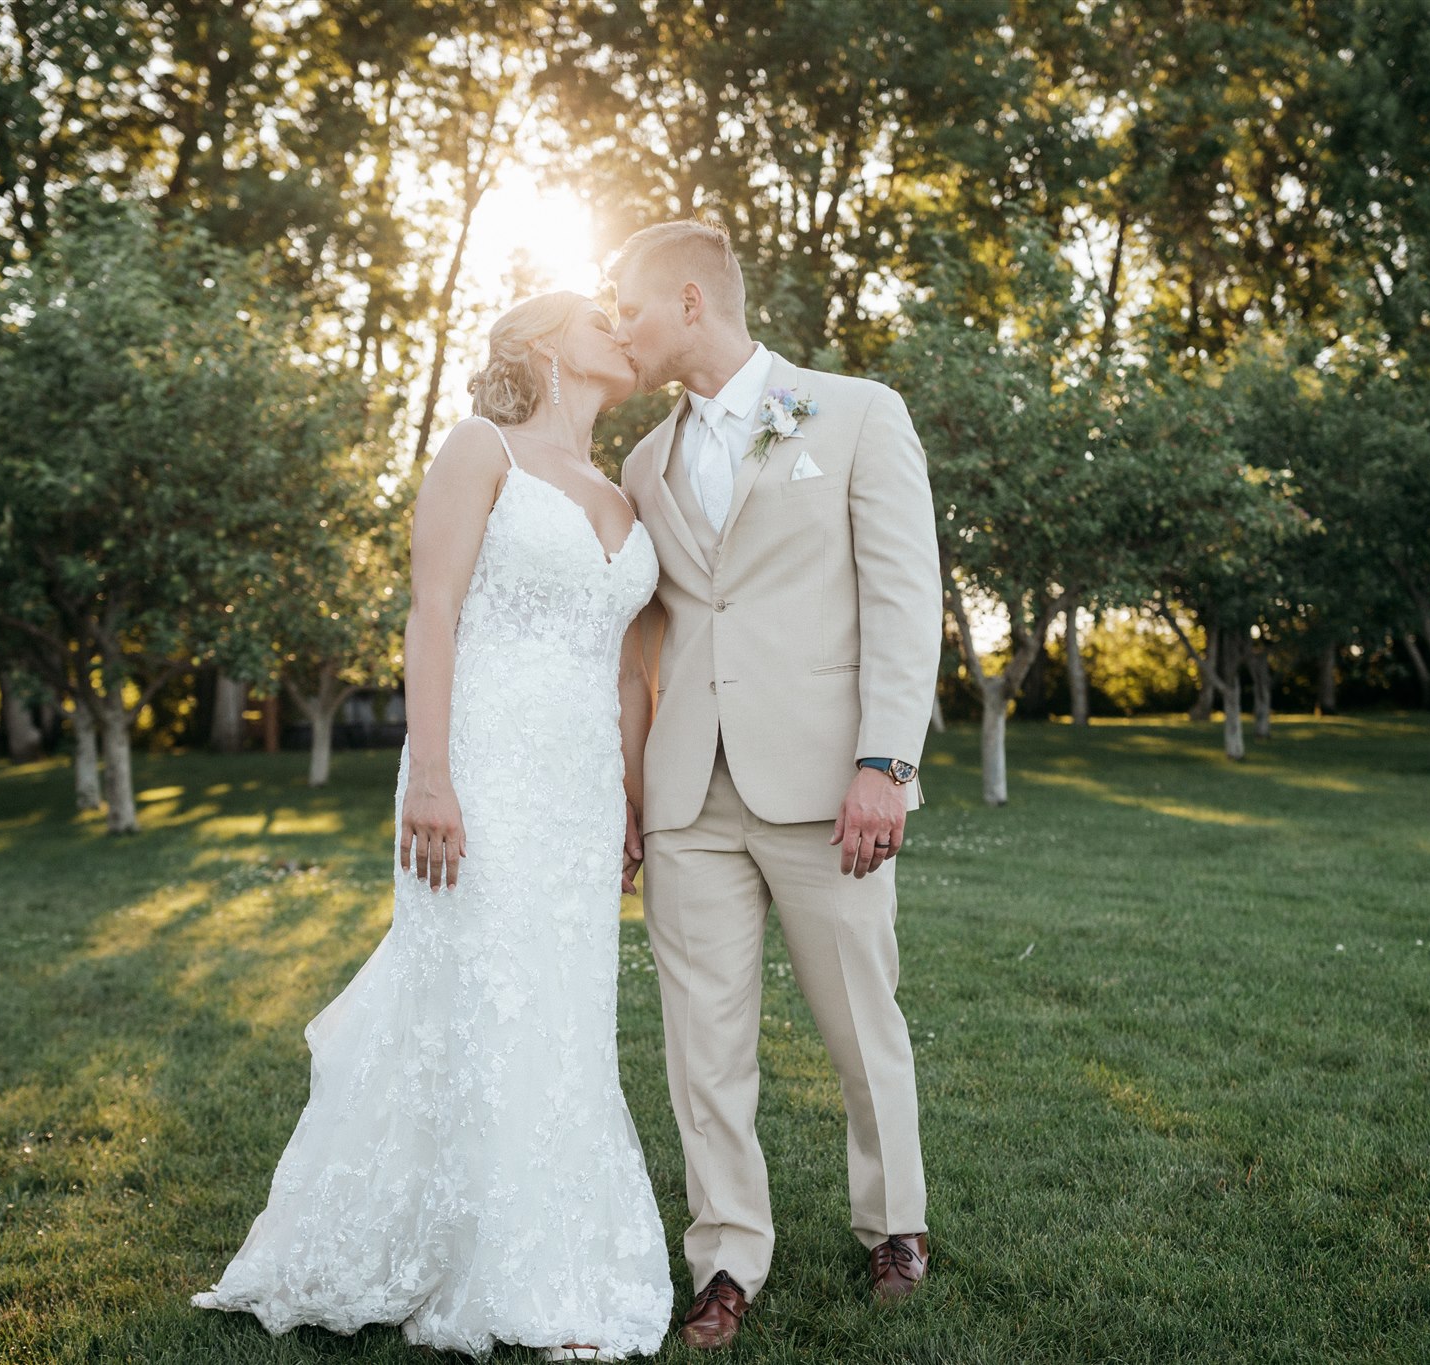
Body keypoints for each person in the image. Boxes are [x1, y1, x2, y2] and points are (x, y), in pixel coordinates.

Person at [191, 292, 672, 1362]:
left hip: (582, 791)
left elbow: (632, 672)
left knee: (563, 1012)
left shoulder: (621, 490)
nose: (620, 329)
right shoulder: (479, 449)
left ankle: (550, 1245)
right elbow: (433, 609)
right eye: (598, 314)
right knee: (471, 993)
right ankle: (447, 1247)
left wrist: (633, 801)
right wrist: (431, 776)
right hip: (482, 771)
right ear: (545, 342)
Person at [610, 219, 944, 1351]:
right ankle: (724, 1254)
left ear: (692, 301)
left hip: (824, 782)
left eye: (631, 308)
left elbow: (905, 597)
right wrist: (627, 790)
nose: (620, 330)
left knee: (859, 1020)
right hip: (686, 795)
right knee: (701, 1043)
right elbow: (647, 637)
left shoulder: (853, 412)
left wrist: (883, 763)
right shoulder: (641, 463)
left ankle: (893, 1224)